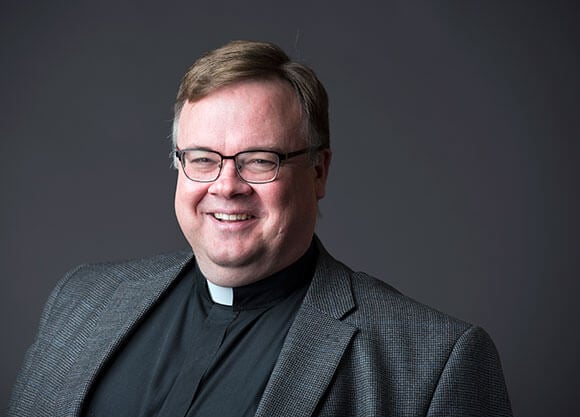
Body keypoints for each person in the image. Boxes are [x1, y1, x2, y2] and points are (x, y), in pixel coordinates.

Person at [7, 40, 512, 417]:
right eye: (202, 159)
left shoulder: (434, 364)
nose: (227, 186)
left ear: (318, 172)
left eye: (258, 160)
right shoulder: (80, 301)